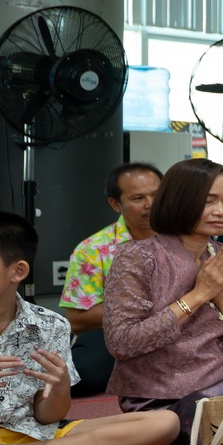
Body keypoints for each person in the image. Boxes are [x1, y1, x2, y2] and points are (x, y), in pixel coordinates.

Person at [0, 213, 182, 445]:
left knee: (165, 423)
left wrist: (57, 390)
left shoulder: (50, 325)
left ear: (18, 271)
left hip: (34, 434)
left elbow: (48, 417)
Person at [103, 159, 223, 441]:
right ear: (180, 201)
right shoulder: (138, 256)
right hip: (159, 395)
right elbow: (122, 342)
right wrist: (198, 295)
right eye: (209, 201)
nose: (222, 211)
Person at [59, 162, 162, 397]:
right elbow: (78, 319)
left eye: (157, 195)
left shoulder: (186, 239)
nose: (150, 204)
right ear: (116, 204)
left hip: (179, 330)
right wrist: (154, 308)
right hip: (116, 335)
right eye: (138, 198)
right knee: (83, 374)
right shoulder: (92, 249)